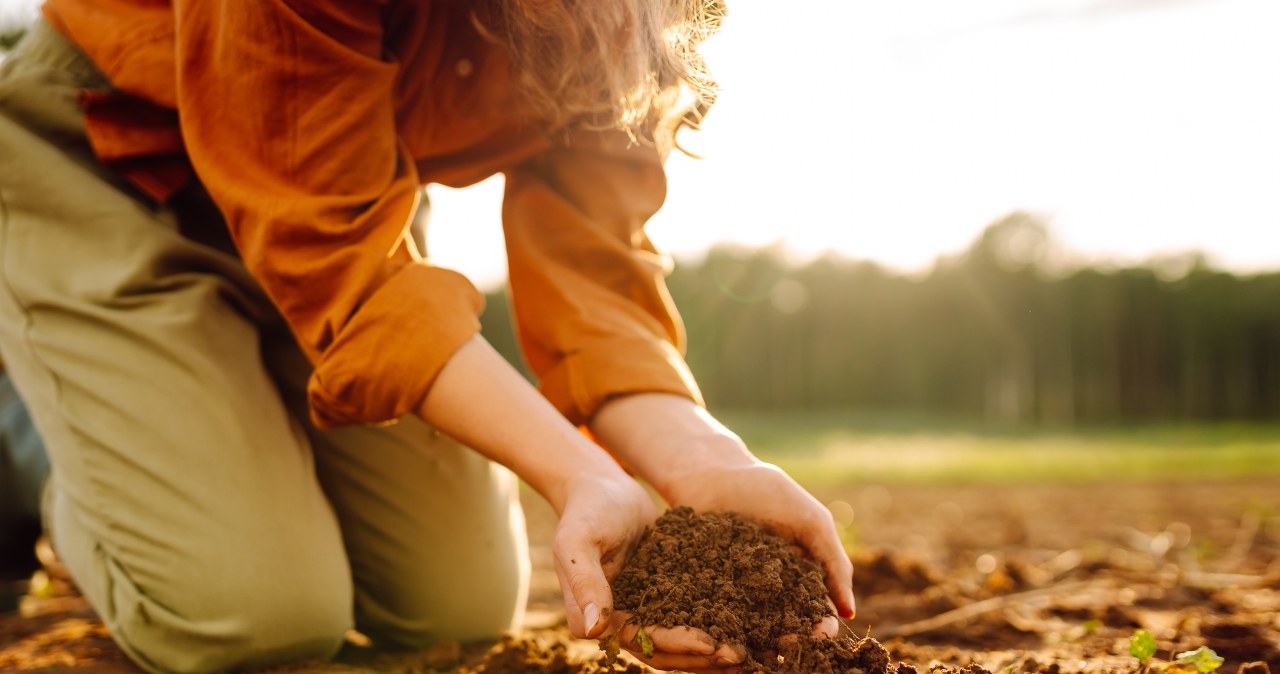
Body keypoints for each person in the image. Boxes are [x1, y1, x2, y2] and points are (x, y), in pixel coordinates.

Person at [0, 2, 855, 673]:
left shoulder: (637, 17)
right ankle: (38, 429)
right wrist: (574, 467)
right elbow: (328, 250)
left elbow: (595, 268)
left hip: (353, 217)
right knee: (245, 613)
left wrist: (704, 460)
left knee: (455, 602)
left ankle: (211, 401)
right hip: (112, 162)